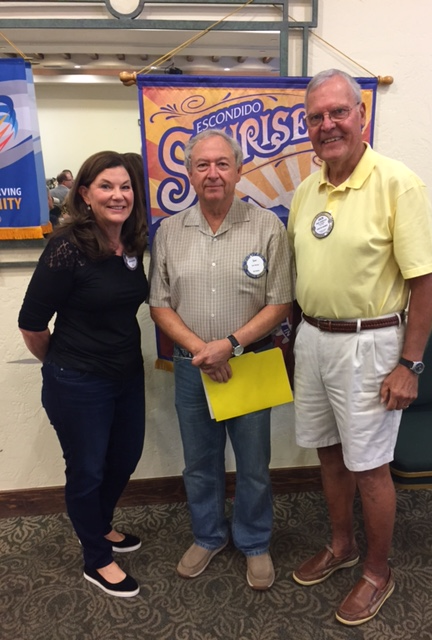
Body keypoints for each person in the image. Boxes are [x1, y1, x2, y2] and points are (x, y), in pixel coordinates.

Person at [287, 69, 432, 625]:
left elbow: (424, 283)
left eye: (338, 112)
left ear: (361, 114)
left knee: (370, 466)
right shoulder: (306, 191)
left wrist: (410, 364)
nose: (327, 125)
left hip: (370, 344)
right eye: (316, 117)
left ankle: (377, 571)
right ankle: (341, 544)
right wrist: (297, 342)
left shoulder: (398, 183)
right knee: (328, 452)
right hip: (313, 339)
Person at [148, 129, 293, 590]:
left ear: (239, 170)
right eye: (202, 165)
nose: (213, 173)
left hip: (249, 362)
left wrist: (228, 344)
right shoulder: (169, 231)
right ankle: (208, 536)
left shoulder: (267, 226)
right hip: (192, 369)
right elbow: (159, 305)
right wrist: (202, 350)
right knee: (199, 462)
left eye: (222, 164)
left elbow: (280, 302)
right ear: (189, 174)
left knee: (253, 464)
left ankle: (254, 541)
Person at [18, 151, 148, 598]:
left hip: (127, 376)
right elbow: (31, 324)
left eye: (125, 186)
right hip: (78, 381)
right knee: (87, 470)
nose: (118, 195)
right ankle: (96, 557)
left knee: (125, 457)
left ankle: (98, 524)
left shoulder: (131, 243)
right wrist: (62, 365)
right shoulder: (67, 247)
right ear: (85, 194)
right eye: (106, 186)